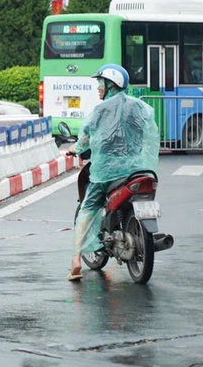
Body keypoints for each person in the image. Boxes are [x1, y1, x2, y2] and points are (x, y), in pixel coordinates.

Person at [67, 64, 159, 281]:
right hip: (139, 170)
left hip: (107, 173)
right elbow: (149, 136)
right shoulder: (140, 107)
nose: (98, 87)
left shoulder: (99, 112)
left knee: (87, 209)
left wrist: (74, 149)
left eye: (100, 83)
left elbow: (85, 140)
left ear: (111, 84)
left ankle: (75, 261)